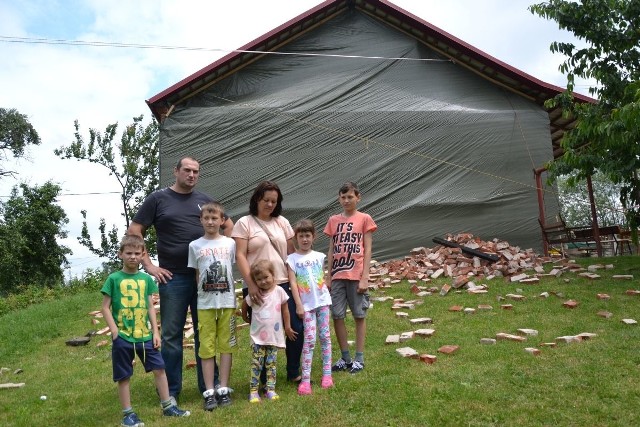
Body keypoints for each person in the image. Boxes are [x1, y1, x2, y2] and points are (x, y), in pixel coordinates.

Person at [127, 156, 234, 401]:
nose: (192, 175)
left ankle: (210, 386)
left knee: (204, 332)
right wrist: (149, 265)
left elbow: (229, 226)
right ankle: (171, 390)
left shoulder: (205, 201)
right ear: (176, 171)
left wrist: (222, 258)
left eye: (196, 171)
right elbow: (135, 231)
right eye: (187, 170)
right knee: (171, 336)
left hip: (206, 280)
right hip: (172, 278)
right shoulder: (158, 199)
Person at [101, 235, 190, 427]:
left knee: (159, 368)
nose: (133, 257)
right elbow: (105, 307)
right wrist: (115, 331)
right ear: (120, 254)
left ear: (143, 255)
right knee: (124, 375)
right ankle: (128, 415)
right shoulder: (113, 279)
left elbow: (150, 307)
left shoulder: (146, 279)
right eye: (128, 253)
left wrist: (156, 332)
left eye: (137, 253)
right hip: (123, 336)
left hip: (145, 335)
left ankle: (168, 407)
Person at [231, 180, 303, 382]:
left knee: (296, 327)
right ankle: (262, 377)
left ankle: (293, 371)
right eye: (266, 200)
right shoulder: (244, 223)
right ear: (257, 199)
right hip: (258, 287)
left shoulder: (282, 222)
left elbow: (291, 255)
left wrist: (297, 282)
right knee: (263, 331)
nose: (270, 204)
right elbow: (240, 255)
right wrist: (251, 284)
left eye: (274, 201)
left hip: (283, 282)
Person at [323, 181, 377, 374]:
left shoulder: (364, 219)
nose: (346, 200)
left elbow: (368, 248)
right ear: (339, 198)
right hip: (337, 275)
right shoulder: (333, 220)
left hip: (356, 275)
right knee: (337, 315)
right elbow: (331, 249)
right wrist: (328, 275)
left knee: (359, 315)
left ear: (358, 198)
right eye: (343, 197)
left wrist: (365, 276)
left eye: (350, 197)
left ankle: (359, 358)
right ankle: (345, 358)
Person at [187, 202, 236, 411]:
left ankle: (223, 388)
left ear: (222, 220)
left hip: (227, 303)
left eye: (214, 218)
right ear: (201, 220)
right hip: (205, 304)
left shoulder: (230, 243)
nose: (210, 222)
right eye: (206, 218)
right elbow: (198, 274)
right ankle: (209, 391)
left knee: (226, 346)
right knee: (206, 348)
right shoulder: (194, 246)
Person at [286, 219, 333, 395]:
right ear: (295, 238)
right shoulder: (292, 259)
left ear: (313, 237)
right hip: (306, 306)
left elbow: (321, 276)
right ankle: (305, 380)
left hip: (322, 303)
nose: (304, 239)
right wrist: (299, 305)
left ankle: (327, 375)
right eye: (301, 236)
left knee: (325, 336)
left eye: (308, 236)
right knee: (310, 339)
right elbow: (292, 283)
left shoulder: (319, 256)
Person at [242, 260, 296, 403]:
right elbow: (245, 303)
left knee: (271, 364)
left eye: (266, 277)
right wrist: (244, 316)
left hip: (273, 336)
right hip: (257, 337)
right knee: (256, 363)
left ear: (273, 275)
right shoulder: (255, 294)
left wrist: (288, 327)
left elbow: (286, 311)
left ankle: (270, 389)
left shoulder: (279, 291)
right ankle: (253, 391)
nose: (263, 281)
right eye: (259, 279)